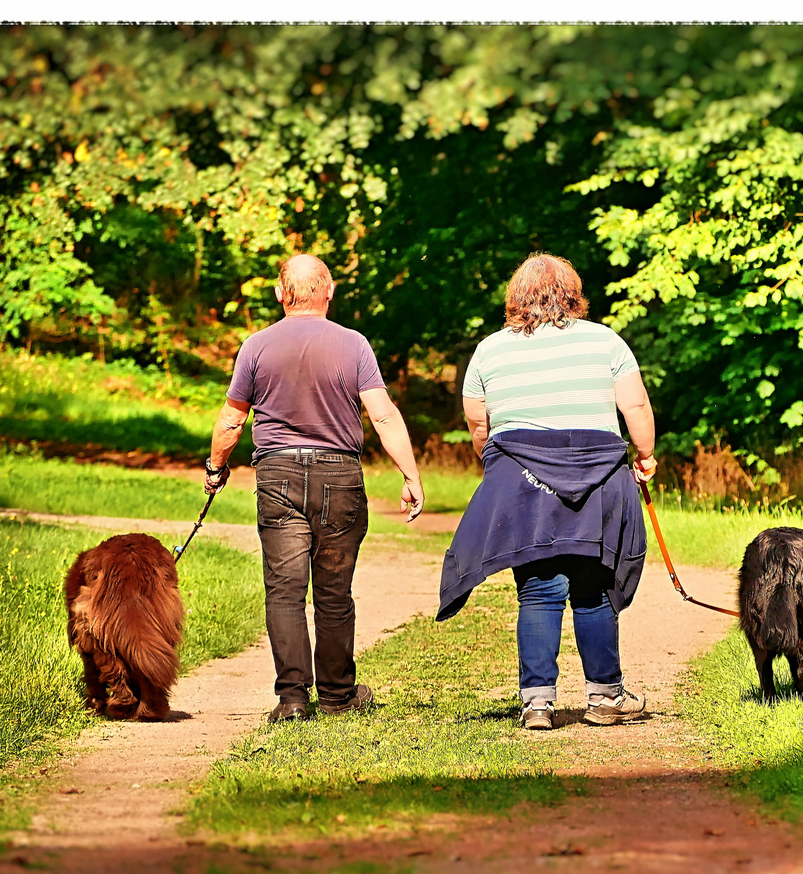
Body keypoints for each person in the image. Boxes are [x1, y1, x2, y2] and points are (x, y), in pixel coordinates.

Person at [437, 253, 657, 731]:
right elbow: (635, 404)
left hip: (523, 476)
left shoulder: (489, 351)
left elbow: (480, 425)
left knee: (538, 590)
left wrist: (499, 466)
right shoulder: (605, 341)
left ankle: (537, 703)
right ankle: (605, 697)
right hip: (599, 473)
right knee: (593, 588)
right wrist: (645, 455)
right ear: (573, 293)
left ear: (515, 298)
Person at [205, 253, 424, 722]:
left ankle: (292, 701)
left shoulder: (256, 347)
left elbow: (231, 419)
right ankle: (339, 696)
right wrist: (410, 474)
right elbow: (382, 414)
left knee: (284, 591)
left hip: (278, 476)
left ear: (281, 294)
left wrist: (214, 468)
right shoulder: (355, 344)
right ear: (329, 291)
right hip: (339, 477)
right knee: (333, 592)